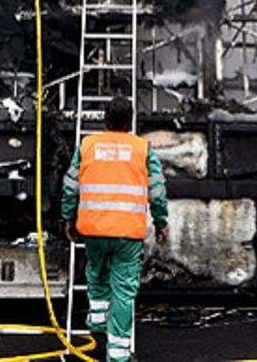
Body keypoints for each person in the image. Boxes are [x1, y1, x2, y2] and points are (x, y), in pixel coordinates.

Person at [61, 96, 168, 361]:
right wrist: (161, 222)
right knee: (123, 291)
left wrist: (68, 219)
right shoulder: (143, 149)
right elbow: (157, 191)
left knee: (96, 272)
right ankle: (118, 354)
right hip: (127, 233)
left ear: (105, 121)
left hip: (93, 229)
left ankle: (97, 320)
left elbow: (70, 187)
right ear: (130, 122)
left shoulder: (87, 145)